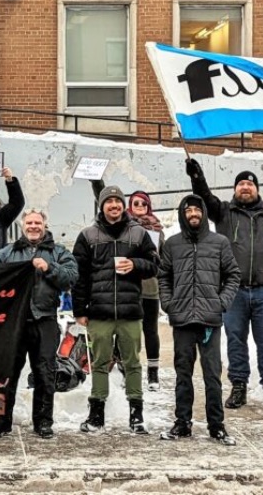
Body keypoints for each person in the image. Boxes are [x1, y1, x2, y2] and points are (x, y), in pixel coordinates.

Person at [185, 159, 263, 413]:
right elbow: (205, 198)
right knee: (235, 340)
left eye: (250, 184)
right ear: (235, 189)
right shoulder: (224, 213)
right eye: (241, 184)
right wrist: (197, 177)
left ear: (257, 189)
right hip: (233, 291)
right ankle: (238, 386)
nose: (245, 187)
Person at [72, 185, 159, 435]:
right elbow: (79, 277)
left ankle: (136, 414)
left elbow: (155, 264)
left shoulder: (139, 233)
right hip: (99, 311)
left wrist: (135, 264)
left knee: (132, 363)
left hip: (130, 311)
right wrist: (80, 310)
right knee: (99, 362)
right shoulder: (88, 235)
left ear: (123, 205)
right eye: (109, 201)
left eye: (117, 201)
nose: (114, 205)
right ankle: (96, 414)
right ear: (102, 206)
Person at [158, 195, 240, 445]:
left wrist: (221, 302)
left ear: (203, 213)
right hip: (182, 320)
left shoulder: (219, 242)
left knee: (212, 375)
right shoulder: (172, 244)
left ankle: (217, 425)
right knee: (183, 374)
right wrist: (168, 303)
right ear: (182, 215)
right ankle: (182, 423)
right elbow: (163, 276)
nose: (193, 214)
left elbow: (233, 275)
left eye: (197, 210)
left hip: (209, 321)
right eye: (188, 210)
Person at [0, 210, 79, 439]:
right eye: (29, 222)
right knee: (7, 373)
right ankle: (0, 421)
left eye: (37, 223)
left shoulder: (58, 252)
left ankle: (43, 422)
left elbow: (71, 278)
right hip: (14, 323)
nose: (33, 226)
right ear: (23, 225)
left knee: (45, 373)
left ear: (44, 225)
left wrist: (49, 268)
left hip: (45, 320)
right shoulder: (6, 253)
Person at [128, 191, 166, 391]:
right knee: (129, 331)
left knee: (150, 330)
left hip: (150, 286)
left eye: (144, 203)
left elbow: (163, 259)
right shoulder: (123, 227)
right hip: (129, 287)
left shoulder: (157, 230)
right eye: (136, 203)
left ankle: (153, 372)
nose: (140, 206)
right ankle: (128, 370)